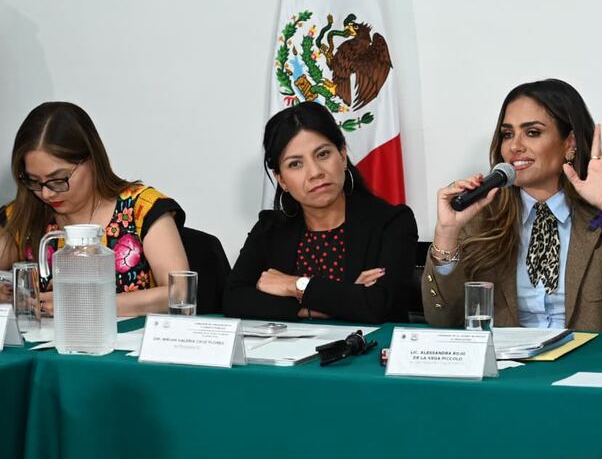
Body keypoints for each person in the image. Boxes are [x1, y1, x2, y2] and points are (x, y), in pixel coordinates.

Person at [422, 79, 602, 332]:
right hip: (509, 367)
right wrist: (447, 233)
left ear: (570, 143)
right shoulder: (482, 212)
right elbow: (443, 320)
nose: (515, 146)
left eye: (532, 132)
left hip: (590, 365)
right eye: (507, 134)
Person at [224, 101, 417, 323]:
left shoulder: (392, 222)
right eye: (295, 164)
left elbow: (377, 306)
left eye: (323, 154)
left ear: (343, 156)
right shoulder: (269, 228)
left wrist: (292, 285)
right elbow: (233, 299)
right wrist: (340, 300)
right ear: (281, 180)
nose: (315, 172)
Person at [0, 102, 190, 316]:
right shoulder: (25, 213)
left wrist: (89, 302)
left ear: (91, 160)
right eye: (34, 181)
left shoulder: (141, 208)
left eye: (58, 179)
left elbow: (180, 292)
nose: (47, 194)